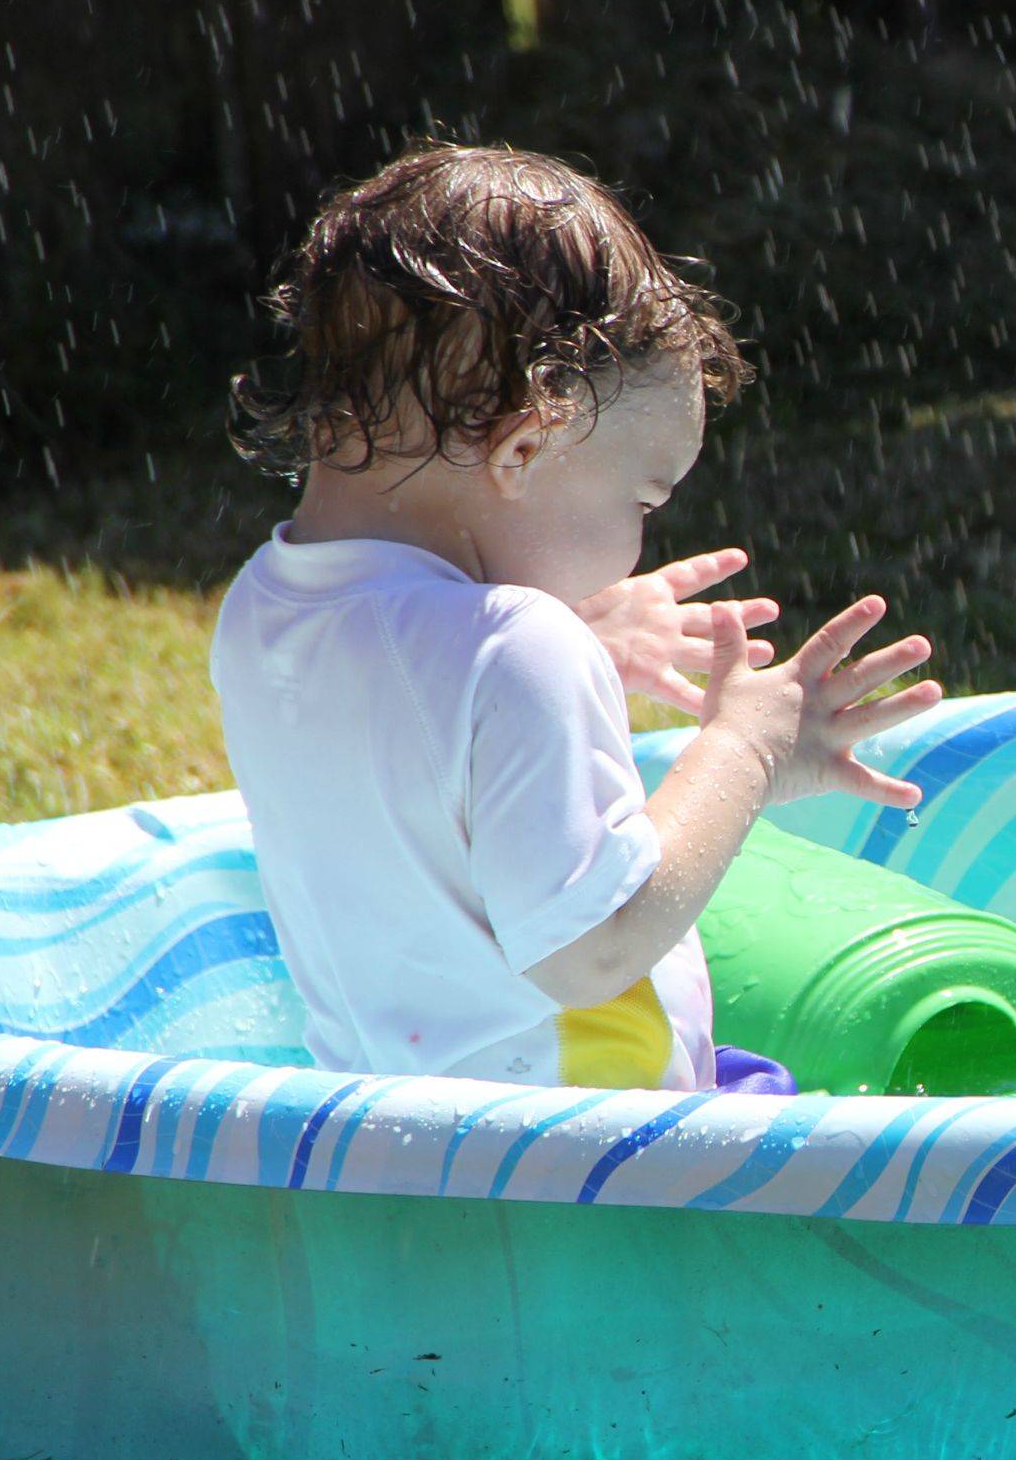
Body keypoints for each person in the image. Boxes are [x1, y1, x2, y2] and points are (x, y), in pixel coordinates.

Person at [211, 143, 940, 1094]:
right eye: (641, 501)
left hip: (399, 1144)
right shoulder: (516, 650)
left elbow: (410, 751)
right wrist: (745, 752)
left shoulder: (260, 610)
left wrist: (579, 641)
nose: (638, 543)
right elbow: (594, 948)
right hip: (589, 1160)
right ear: (522, 448)